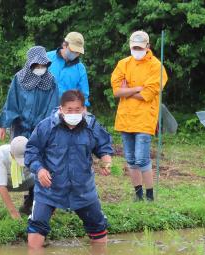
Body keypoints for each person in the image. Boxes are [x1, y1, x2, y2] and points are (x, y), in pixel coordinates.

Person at [25, 90, 113, 249]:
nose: (74, 113)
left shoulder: (91, 126)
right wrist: (39, 170)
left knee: (98, 226)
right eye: (69, 110)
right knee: (37, 225)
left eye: (77, 109)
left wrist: (106, 161)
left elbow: (103, 147)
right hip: (50, 188)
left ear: (84, 109)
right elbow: (31, 152)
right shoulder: (46, 126)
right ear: (61, 109)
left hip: (83, 189)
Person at [0, 46, 59, 214]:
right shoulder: (19, 79)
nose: (40, 68)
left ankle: (36, 200)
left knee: (41, 161)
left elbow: (53, 107)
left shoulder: (51, 81)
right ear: (30, 64)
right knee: (22, 161)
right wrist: (3, 124)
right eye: (36, 65)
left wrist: (49, 128)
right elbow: (12, 103)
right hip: (21, 128)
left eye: (43, 65)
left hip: (42, 129)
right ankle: (25, 198)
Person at [111, 31, 168, 202]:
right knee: (130, 159)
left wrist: (127, 90)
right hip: (125, 118)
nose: (136, 50)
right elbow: (116, 91)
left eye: (140, 47)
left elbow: (148, 94)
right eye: (134, 47)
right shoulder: (123, 63)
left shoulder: (156, 67)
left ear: (148, 47)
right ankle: (138, 195)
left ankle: (150, 196)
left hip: (145, 119)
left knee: (142, 158)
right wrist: (137, 88)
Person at [47, 32, 90, 106]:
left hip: (67, 111)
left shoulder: (80, 69)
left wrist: (84, 109)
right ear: (64, 45)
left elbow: (83, 96)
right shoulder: (46, 58)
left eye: (78, 52)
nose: (76, 54)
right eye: (73, 50)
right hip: (44, 109)